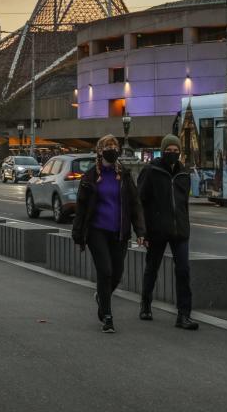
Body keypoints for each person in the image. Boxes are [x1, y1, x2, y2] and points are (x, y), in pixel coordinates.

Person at [72, 134, 146, 334]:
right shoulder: (90, 177)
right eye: (108, 146)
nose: (112, 148)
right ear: (100, 150)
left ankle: (101, 297)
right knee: (104, 271)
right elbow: (81, 208)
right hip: (97, 231)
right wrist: (78, 237)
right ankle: (107, 316)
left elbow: (134, 204)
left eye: (115, 145)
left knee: (117, 273)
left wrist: (140, 230)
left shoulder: (124, 175)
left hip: (119, 232)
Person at [137, 134, 199, 330]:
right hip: (157, 230)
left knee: (183, 271)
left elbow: (184, 204)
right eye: (168, 150)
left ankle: (184, 315)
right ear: (162, 151)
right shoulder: (151, 171)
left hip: (180, 230)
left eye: (175, 150)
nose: (172, 153)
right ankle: (145, 304)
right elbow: (141, 202)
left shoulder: (184, 173)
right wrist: (143, 231)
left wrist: (185, 225)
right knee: (152, 268)